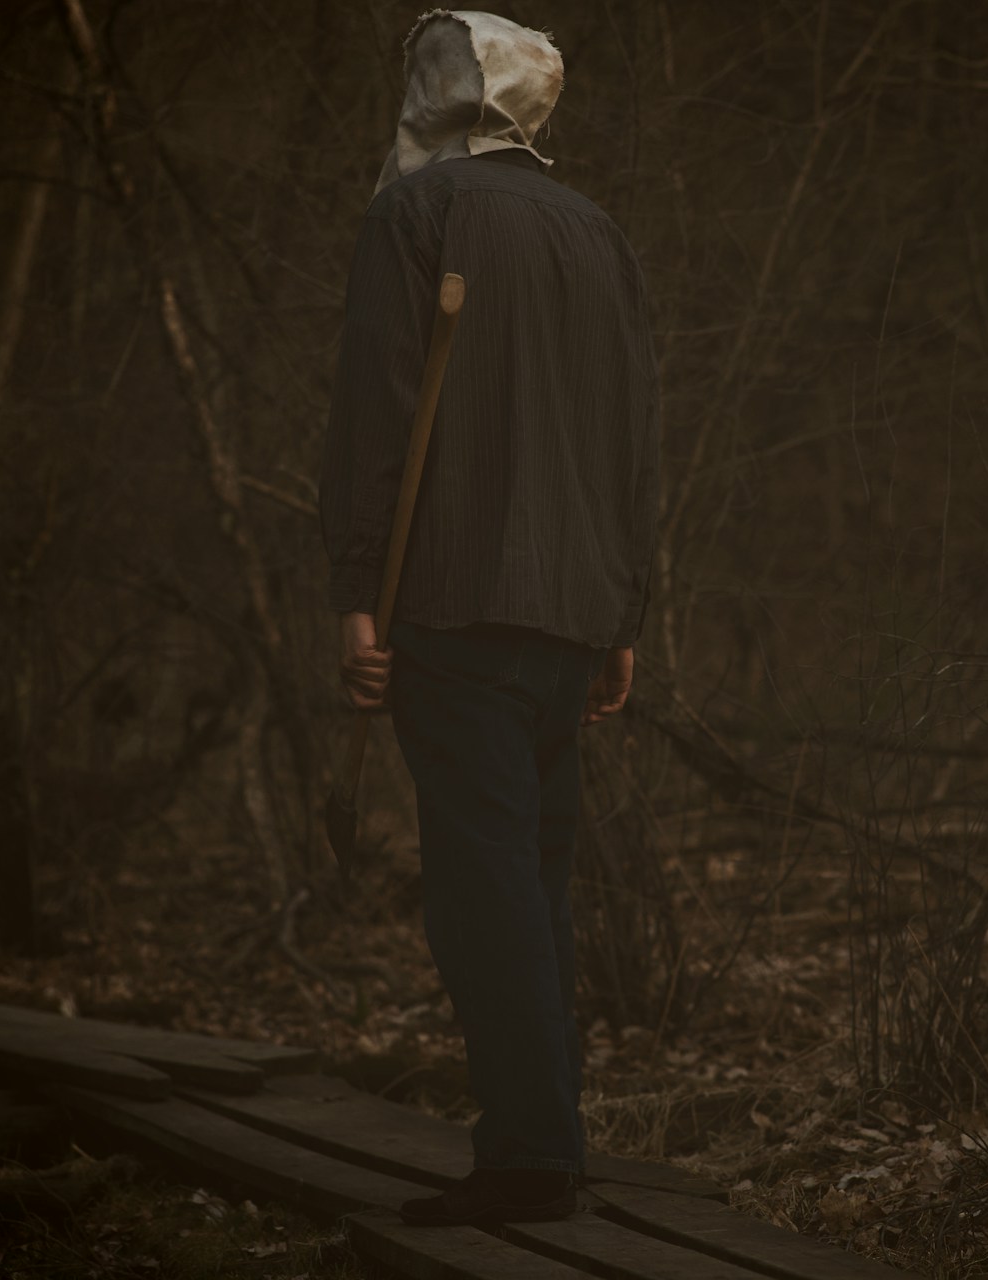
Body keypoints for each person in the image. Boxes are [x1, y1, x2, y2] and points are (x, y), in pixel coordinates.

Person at [318, 10, 660, 1227]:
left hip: (455, 607)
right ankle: (544, 1139)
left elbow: (377, 414)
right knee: (535, 883)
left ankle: (528, 1158)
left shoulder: (415, 215)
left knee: (486, 893)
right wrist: (621, 611)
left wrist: (362, 596)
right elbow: (632, 438)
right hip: (570, 614)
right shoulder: (596, 230)